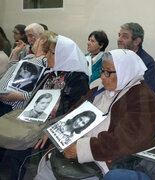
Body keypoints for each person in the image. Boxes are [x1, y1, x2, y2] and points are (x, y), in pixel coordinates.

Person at [34, 49, 155, 180]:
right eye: (102, 71)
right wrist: (56, 130)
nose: (102, 77)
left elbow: (126, 141)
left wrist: (80, 149)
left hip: (105, 161)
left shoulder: (145, 100)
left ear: (125, 72)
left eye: (108, 72)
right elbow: (75, 111)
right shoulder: (99, 90)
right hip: (75, 150)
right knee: (46, 171)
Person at [0, 34, 89, 180]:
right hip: (33, 121)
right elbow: (33, 100)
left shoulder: (77, 80)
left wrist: (51, 130)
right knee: (7, 143)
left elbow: (74, 112)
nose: (47, 56)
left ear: (63, 55)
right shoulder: (51, 73)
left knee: (15, 154)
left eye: (51, 53)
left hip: (52, 128)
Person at [0, 30, 51, 117]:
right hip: (3, 100)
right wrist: (16, 52)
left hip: (11, 104)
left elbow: (43, 88)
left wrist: (19, 97)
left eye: (37, 39)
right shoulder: (30, 56)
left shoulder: (45, 62)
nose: (32, 42)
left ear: (42, 42)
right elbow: (12, 69)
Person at [118, 22, 155, 97]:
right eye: (119, 35)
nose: (119, 39)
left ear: (136, 41)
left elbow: (145, 94)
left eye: (124, 37)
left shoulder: (147, 62)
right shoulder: (117, 57)